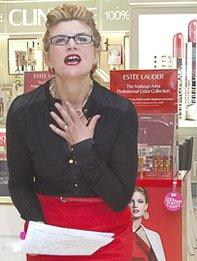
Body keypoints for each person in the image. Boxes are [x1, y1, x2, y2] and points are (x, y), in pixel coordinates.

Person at [6, 4, 138, 259]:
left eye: (82, 38)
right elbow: (20, 185)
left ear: (95, 53)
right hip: (49, 234)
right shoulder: (22, 111)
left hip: (108, 238)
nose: (71, 45)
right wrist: (39, 226)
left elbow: (120, 198)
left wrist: (84, 149)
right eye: (60, 40)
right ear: (47, 57)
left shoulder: (121, 111)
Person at [130, 187, 166, 261]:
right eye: (131, 201)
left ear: (146, 206)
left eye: (140, 201)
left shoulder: (154, 236)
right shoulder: (119, 234)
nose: (135, 205)